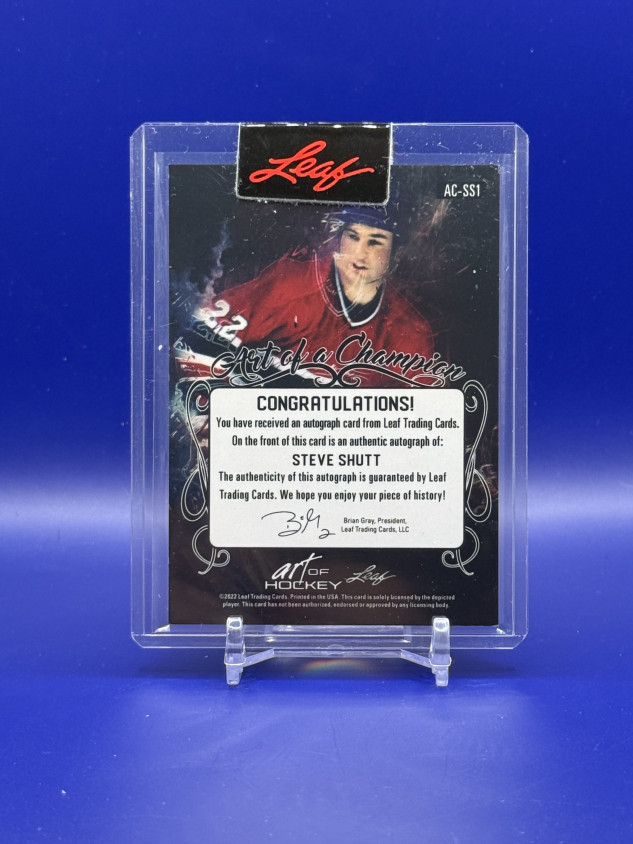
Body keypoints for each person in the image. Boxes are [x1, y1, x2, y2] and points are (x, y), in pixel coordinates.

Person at [175, 206, 435, 387]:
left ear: (396, 253)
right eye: (353, 237)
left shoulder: (412, 333)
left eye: (375, 241)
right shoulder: (291, 284)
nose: (360, 253)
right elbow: (195, 342)